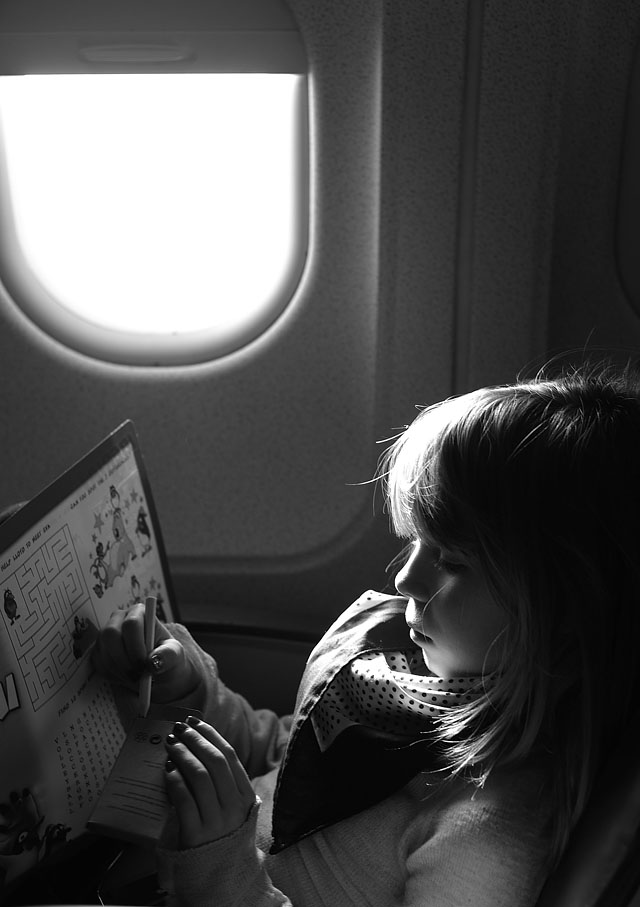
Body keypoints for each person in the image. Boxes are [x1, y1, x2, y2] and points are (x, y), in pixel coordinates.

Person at [92, 362, 640, 907]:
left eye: (451, 560)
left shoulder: (486, 833)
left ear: (562, 614)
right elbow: (287, 764)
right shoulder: (412, 686)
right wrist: (193, 700)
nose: (405, 579)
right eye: (414, 542)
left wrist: (222, 871)